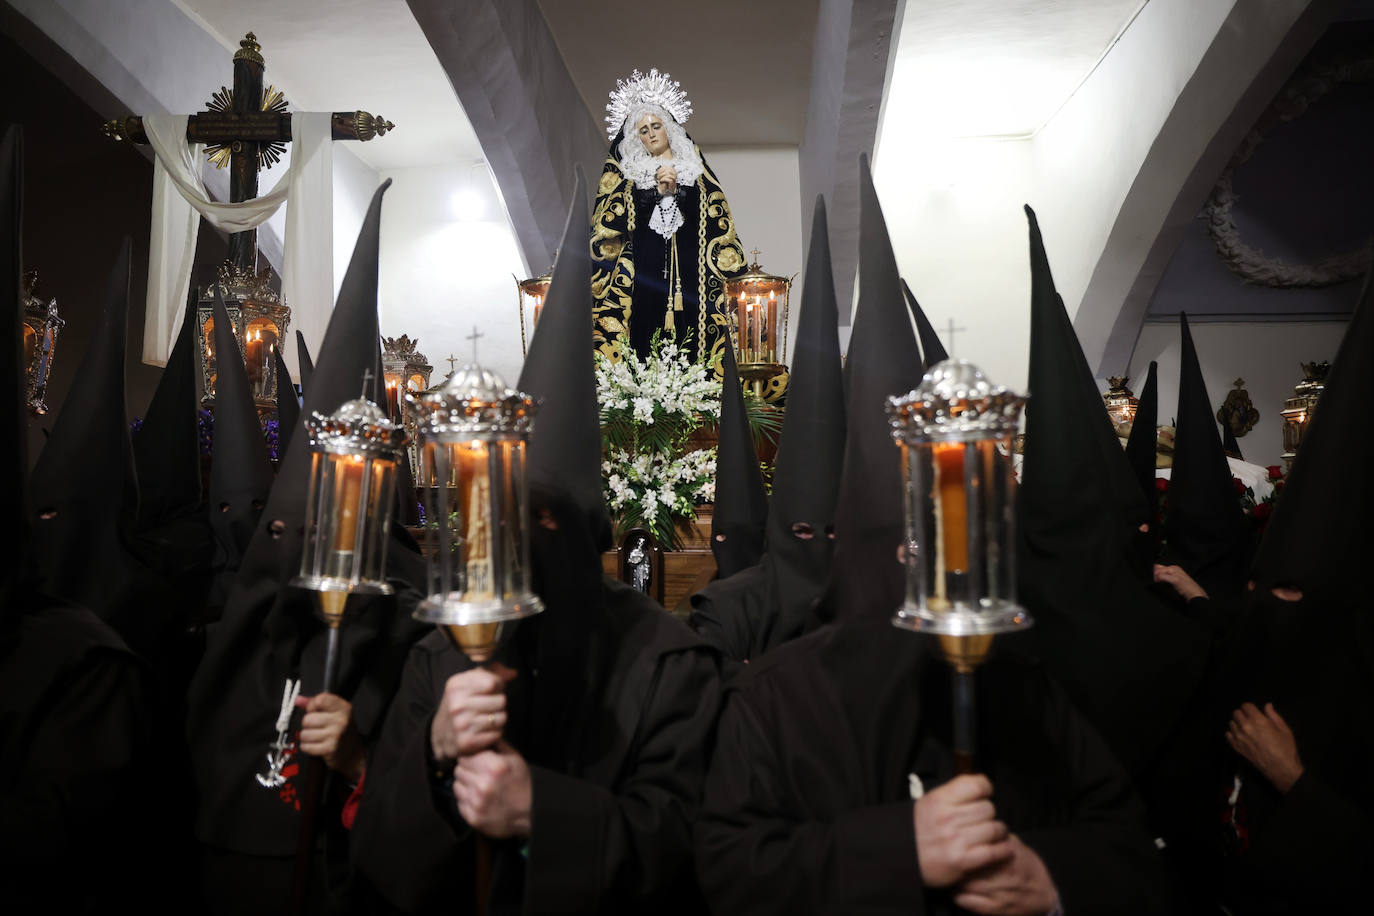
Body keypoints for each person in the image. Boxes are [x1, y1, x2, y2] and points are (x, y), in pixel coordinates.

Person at [694, 158, 1168, 916]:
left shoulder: (1022, 685)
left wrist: (1049, 879)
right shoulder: (775, 702)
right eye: (897, 551)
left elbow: (1129, 844)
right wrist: (899, 848)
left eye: (933, 549)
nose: (920, 573)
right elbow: (729, 872)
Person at [352, 170, 722, 914]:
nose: (524, 539)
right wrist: (433, 755)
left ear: (590, 537)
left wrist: (540, 811)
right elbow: (378, 860)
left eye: (546, 520)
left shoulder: (667, 664)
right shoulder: (439, 660)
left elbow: (692, 848)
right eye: (505, 518)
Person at [689, 197, 846, 674]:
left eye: (832, 533)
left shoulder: (885, 600)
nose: (815, 544)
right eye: (801, 531)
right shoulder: (726, 610)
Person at [592, 68, 746, 372]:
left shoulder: (697, 174)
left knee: (692, 331)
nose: (651, 133)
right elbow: (611, 222)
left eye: (656, 126)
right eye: (643, 130)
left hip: (693, 273)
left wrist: (676, 193)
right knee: (645, 330)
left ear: (669, 128)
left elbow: (715, 220)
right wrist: (656, 195)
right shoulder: (631, 177)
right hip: (646, 271)